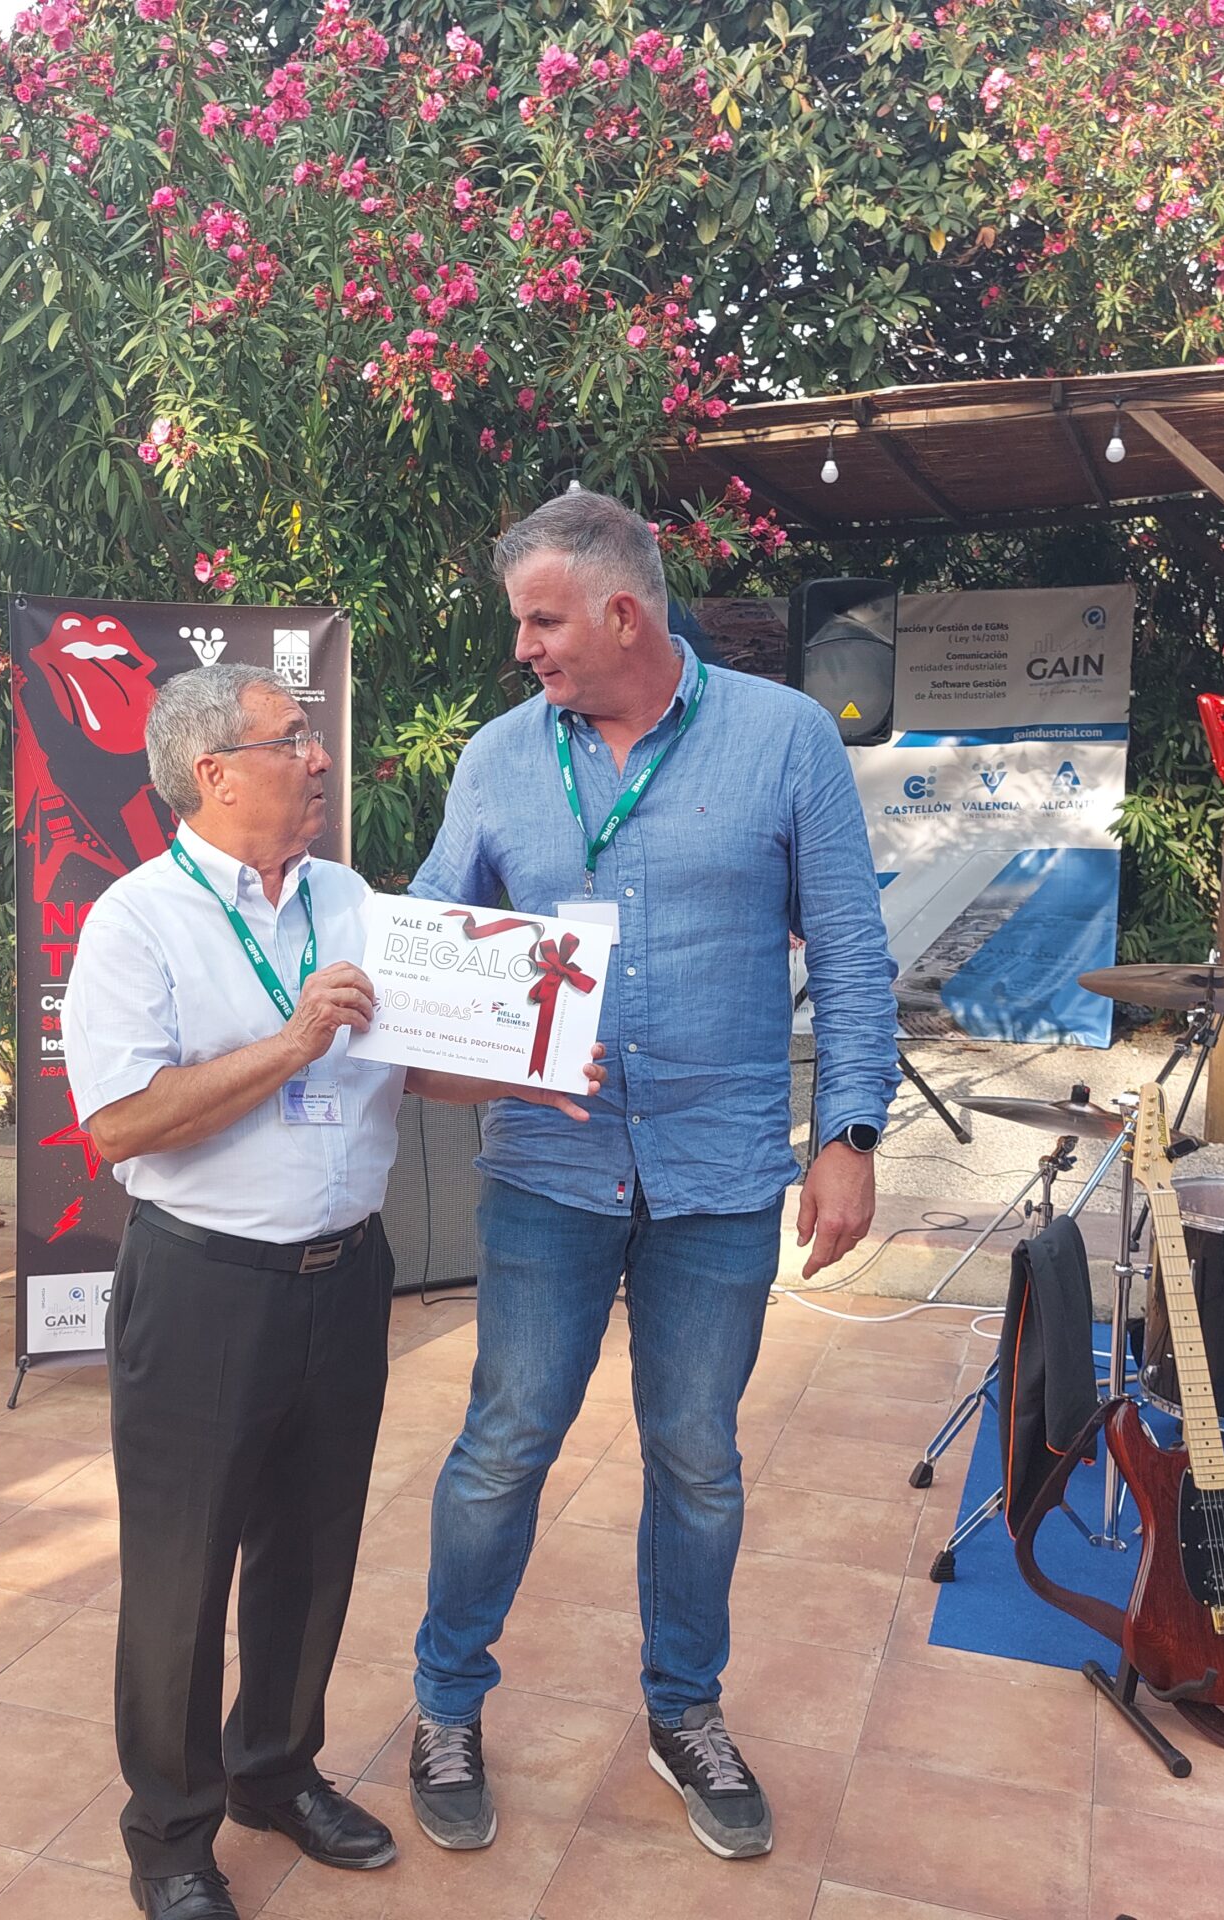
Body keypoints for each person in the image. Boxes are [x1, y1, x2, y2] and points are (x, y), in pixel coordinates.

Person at [402, 491, 899, 1861]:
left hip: (717, 1175)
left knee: (697, 1461)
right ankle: (446, 1705)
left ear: (622, 613)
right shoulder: (500, 757)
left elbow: (851, 950)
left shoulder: (784, 739)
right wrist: (442, 1015)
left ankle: (685, 1711)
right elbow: (437, 926)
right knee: (504, 1446)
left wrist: (849, 1134)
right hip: (546, 1175)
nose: (523, 649)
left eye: (541, 621)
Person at [61, 663, 597, 1920]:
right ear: (213, 773)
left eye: (311, 737)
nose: (318, 759)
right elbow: (120, 1122)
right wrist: (293, 1042)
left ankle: (274, 1771)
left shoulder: (351, 900)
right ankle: (171, 1838)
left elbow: (417, 1061)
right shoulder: (137, 921)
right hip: (203, 1288)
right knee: (182, 1577)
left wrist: (526, 1062)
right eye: (290, 740)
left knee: (310, 1551)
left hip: (346, 1277)